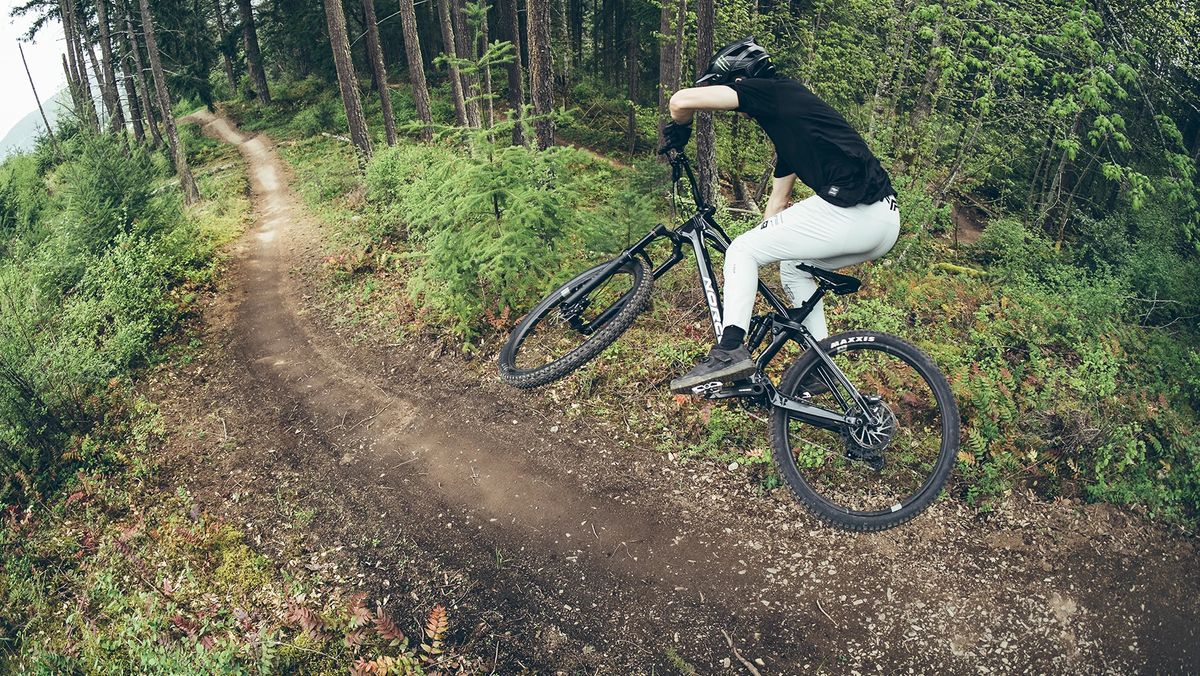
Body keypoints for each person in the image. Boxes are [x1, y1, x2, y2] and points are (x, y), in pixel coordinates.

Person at [662, 37, 900, 395]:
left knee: (741, 249)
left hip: (855, 210)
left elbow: (680, 101)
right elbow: (778, 203)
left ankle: (730, 350)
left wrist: (679, 130)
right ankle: (821, 366)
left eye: (723, 86)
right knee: (791, 266)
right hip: (883, 220)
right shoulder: (791, 120)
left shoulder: (769, 91)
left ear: (739, 79)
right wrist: (760, 244)